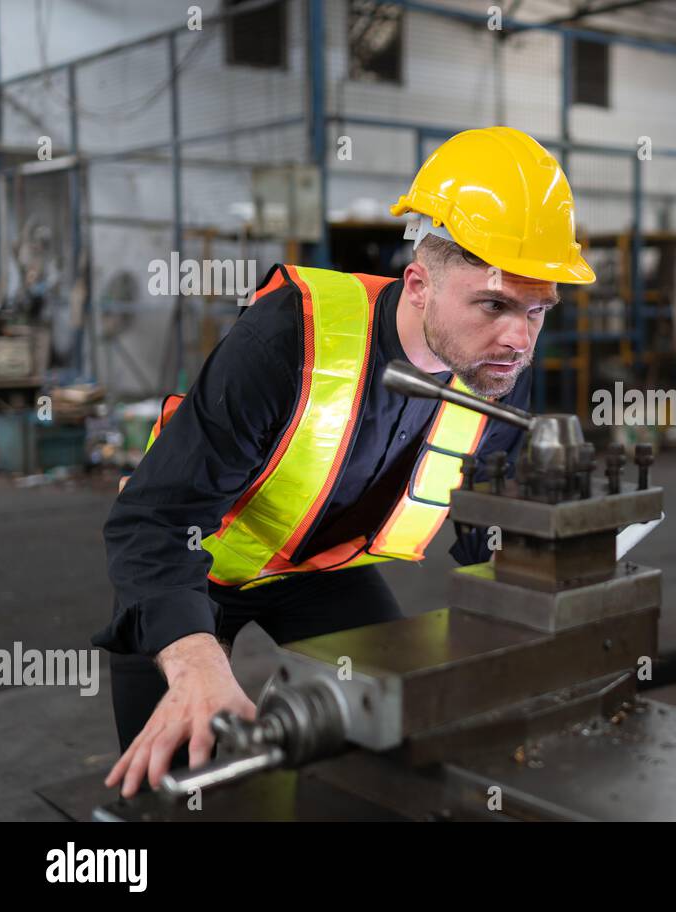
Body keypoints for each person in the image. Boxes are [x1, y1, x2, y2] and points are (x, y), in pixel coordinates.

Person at [93, 126, 595, 798]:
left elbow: (487, 528)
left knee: (394, 731)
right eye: (495, 304)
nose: (518, 338)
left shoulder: (495, 366)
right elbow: (152, 519)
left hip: (323, 571)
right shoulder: (288, 336)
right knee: (183, 782)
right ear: (418, 283)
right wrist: (191, 664)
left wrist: (527, 621)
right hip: (195, 561)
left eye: (538, 312)